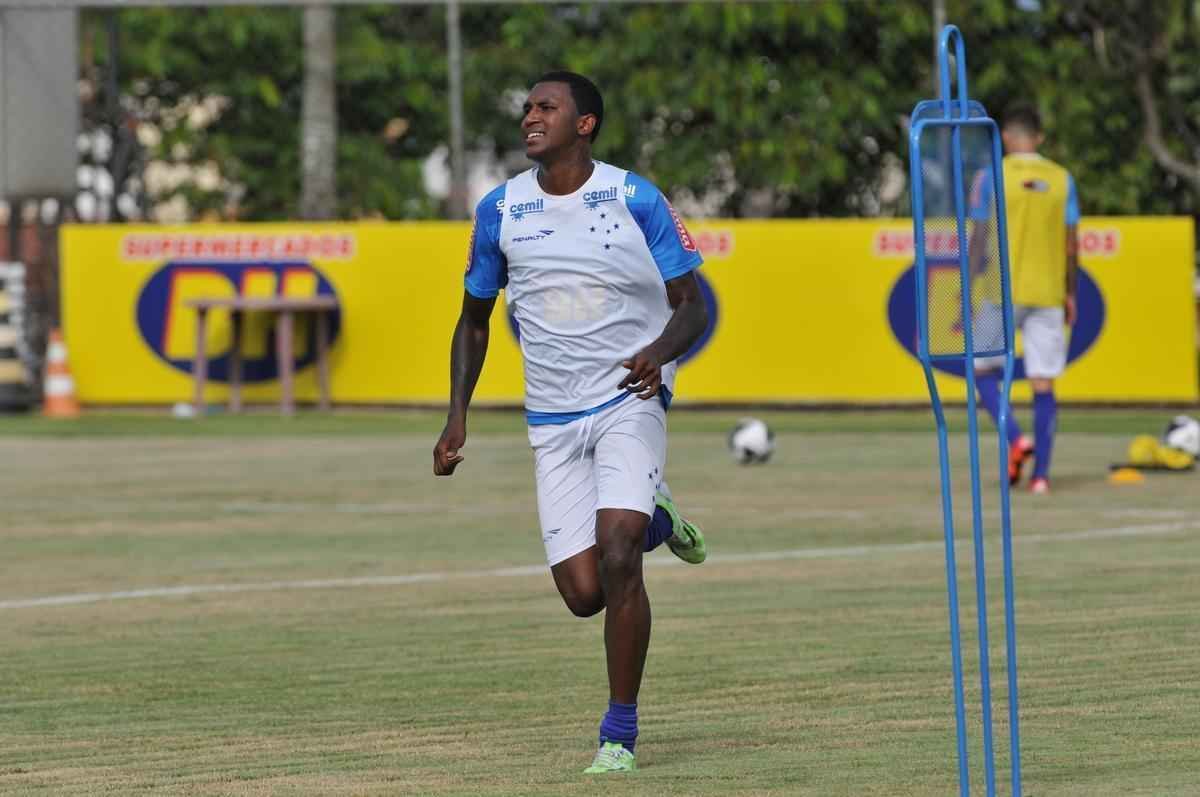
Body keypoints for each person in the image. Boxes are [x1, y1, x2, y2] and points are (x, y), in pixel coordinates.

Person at [432, 71, 709, 774]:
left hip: (628, 396)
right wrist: (456, 414)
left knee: (618, 556)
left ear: (584, 124)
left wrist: (659, 354)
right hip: (552, 418)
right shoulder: (500, 208)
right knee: (585, 593)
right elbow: (473, 320)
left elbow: (692, 304)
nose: (530, 116)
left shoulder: (633, 197)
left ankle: (618, 735)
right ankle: (658, 517)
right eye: (526, 107)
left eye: (546, 107)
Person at [968, 103, 1080, 495]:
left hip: (1000, 292)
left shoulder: (990, 177)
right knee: (1043, 384)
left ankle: (1015, 439)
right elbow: (1071, 244)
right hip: (1047, 293)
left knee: (981, 372)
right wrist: (1070, 293)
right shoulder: (1062, 179)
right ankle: (1041, 477)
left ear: (1005, 138)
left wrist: (967, 289)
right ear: (1040, 138)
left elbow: (980, 238)